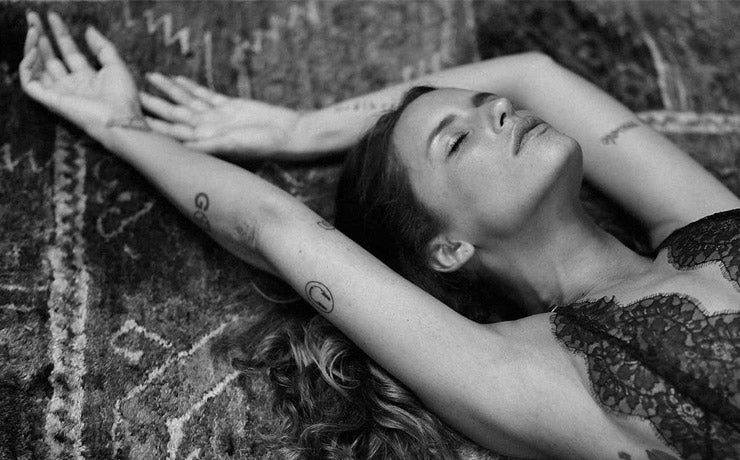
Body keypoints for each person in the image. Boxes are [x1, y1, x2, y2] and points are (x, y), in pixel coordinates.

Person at [20, 11, 740, 460]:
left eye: (487, 108)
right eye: (456, 141)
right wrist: (123, 128)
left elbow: (530, 75)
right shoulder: (526, 372)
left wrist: (301, 128)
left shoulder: (699, 229)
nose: (499, 112)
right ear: (448, 247)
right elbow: (272, 224)